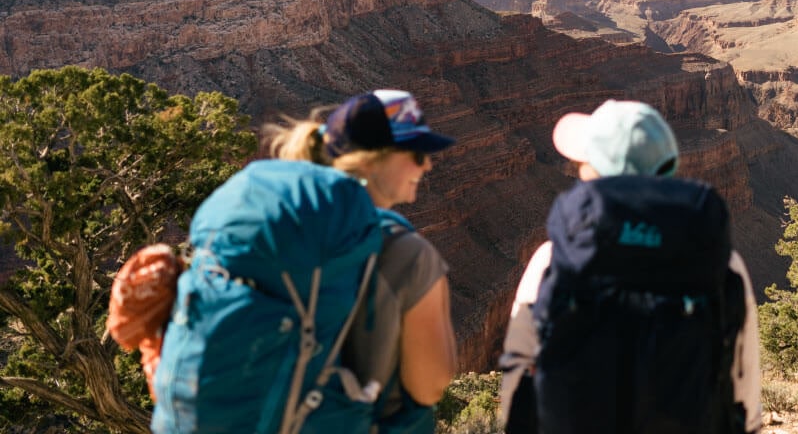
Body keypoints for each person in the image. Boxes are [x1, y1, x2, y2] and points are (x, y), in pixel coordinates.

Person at [498, 100, 762, 434]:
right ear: (666, 167)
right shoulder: (721, 264)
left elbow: (517, 382)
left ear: (594, 168)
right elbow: (744, 385)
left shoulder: (552, 261)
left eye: (583, 159)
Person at [266, 89, 460, 420]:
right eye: (416, 153)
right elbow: (430, 385)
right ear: (371, 160)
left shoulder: (278, 223)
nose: (427, 164)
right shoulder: (406, 253)